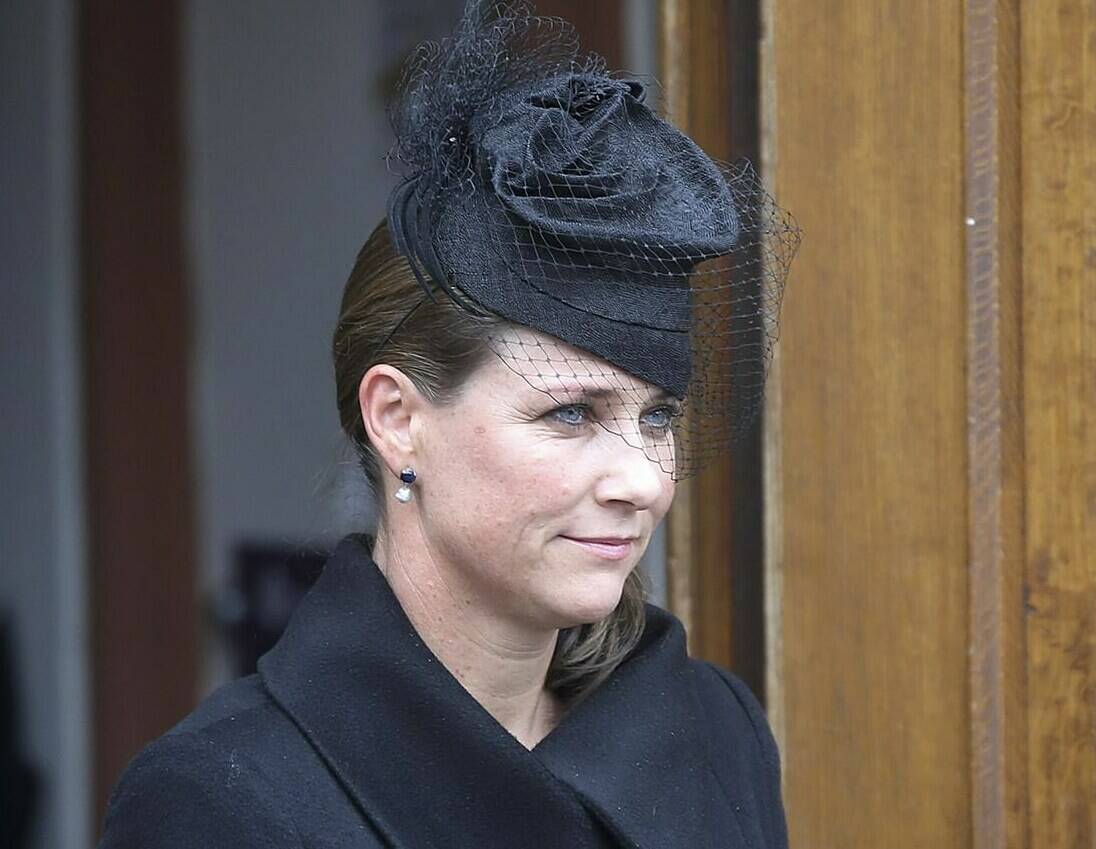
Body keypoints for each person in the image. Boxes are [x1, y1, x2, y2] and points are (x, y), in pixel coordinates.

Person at [97, 2, 799, 847]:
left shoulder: (712, 733)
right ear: (396, 418)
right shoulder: (219, 801)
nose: (645, 480)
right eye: (570, 413)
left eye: (657, 415)